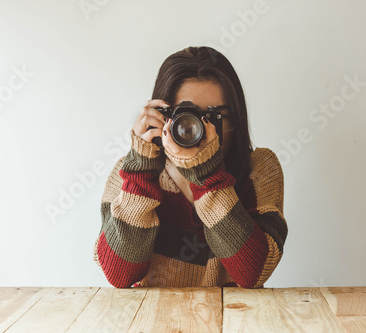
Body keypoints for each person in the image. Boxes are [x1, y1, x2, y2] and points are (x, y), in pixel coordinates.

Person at [93, 46, 288, 289]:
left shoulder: (259, 169)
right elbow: (119, 275)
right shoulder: (130, 174)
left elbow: (254, 273)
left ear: (236, 118)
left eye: (215, 116)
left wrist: (207, 174)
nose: (198, 129)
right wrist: (141, 172)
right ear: (162, 117)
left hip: (234, 321)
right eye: (187, 116)